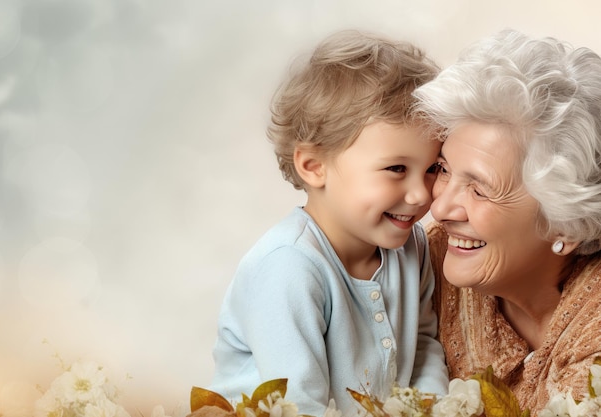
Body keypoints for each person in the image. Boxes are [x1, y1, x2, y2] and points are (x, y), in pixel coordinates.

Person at [208, 30, 449, 416]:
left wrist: (433, 409)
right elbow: (298, 403)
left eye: (433, 168)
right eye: (396, 169)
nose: (421, 194)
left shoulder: (411, 247)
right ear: (314, 166)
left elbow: (422, 345)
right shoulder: (289, 266)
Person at [412, 29, 601, 416]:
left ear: (565, 222)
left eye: (480, 191)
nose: (441, 208)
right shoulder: (422, 261)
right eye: (444, 170)